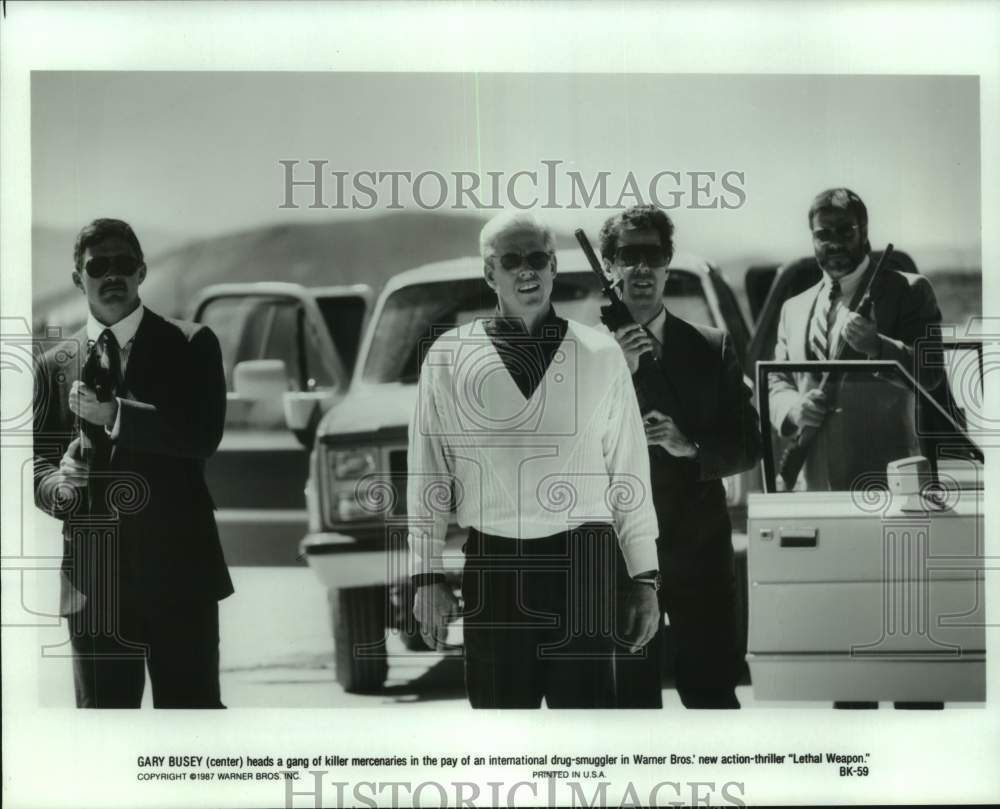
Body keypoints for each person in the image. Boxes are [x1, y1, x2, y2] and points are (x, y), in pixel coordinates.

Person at [408, 212, 661, 708]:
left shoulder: (600, 353)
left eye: (539, 259)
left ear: (553, 268)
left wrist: (645, 579)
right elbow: (428, 474)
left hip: (587, 564)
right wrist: (425, 575)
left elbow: (629, 474)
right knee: (502, 737)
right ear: (489, 273)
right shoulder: (448, 357)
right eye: (512, 260)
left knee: (587, 739)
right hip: (496, 566)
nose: (527, 270)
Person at [33, 218, 233, 708]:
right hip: (94, 582)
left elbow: (202, 435)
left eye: (124, 264)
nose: (112, 275)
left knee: (192, 733)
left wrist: (116, 414)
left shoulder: (192, 344)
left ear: (142, 271)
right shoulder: (54, 365)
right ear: (79, 279)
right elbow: (37, 464)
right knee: (103, 738)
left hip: (180, 578)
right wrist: (60, 484)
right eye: (98, 266)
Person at [600, 205, 762, 709]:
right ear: (610, 265)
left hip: (699, 551)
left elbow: (749, 442)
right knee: (628, 703)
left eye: (654, 255)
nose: (642, 269)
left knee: (714, 696)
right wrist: (620, 369)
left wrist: (688, 447)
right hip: (619, 557)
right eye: (629, 256)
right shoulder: (583, 352)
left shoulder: (711, 347)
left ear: (668, 262)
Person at [768, 188, 944, 492]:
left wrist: (878, 347)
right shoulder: (793, 309)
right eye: (823, 233)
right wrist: (794, 408)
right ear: (812, 237)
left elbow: (930, 376)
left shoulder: (908, 291)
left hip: (889, 486)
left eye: (845, 231)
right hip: (813, 487)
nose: (834, 242)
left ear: (865, 233)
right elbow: (776, 382)